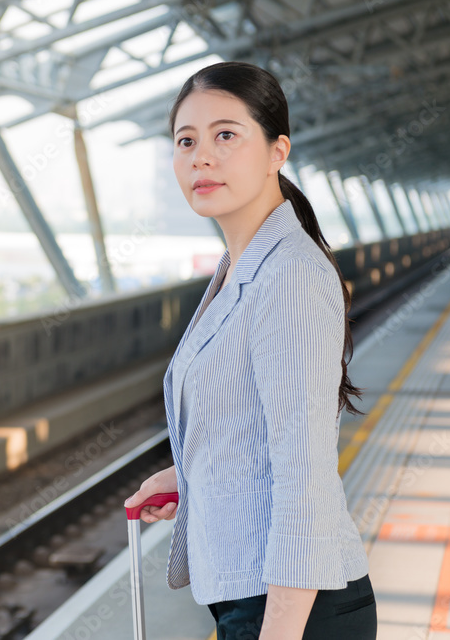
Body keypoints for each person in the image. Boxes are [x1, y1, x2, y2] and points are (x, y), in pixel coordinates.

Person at [124, 61, 377, 640]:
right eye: (185, 141)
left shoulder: (287, 273)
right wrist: (191, 478)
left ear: (276, 151)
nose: (201, 157)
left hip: (292, 607)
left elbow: (304, 475)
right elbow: (256, 430)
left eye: (226, 135)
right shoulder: (241, 266)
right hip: (253, 597)